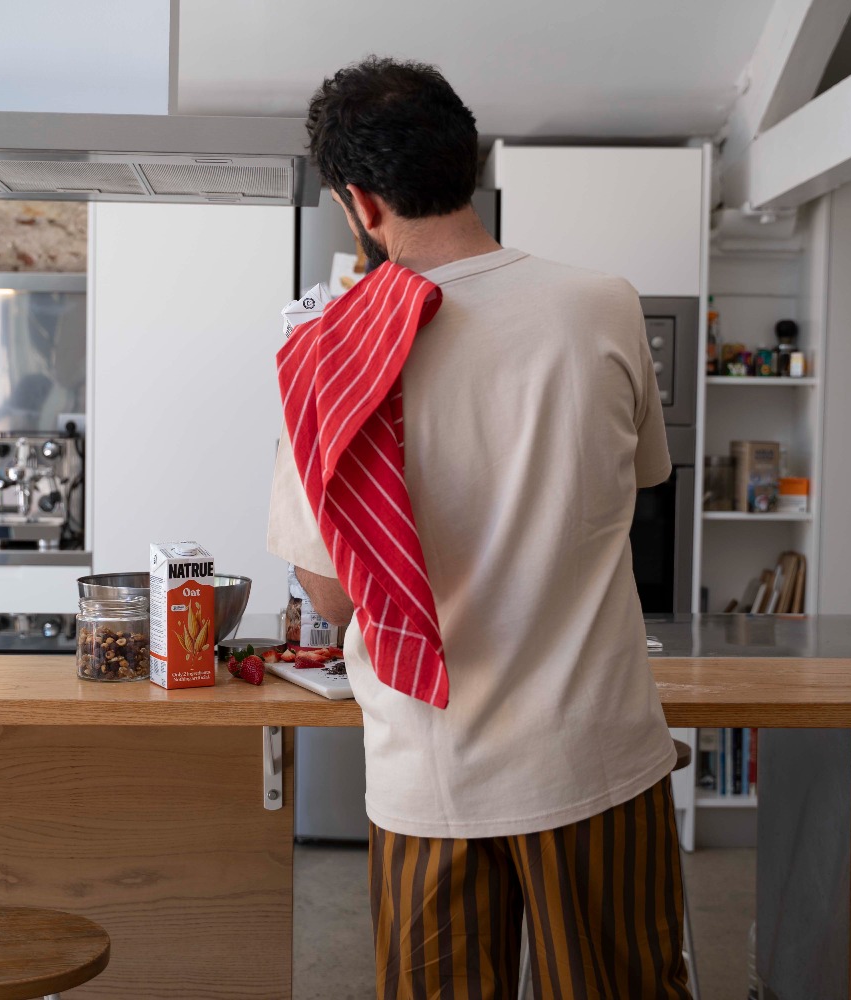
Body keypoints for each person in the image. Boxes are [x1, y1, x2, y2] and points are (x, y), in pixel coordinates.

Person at [268, 56, 689, 1000]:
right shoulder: (603, 303)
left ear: (360, 204)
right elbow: (640, 483)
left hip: (431, 775)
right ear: (471, 161)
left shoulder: (328, 355)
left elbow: (332, 594)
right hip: (595, 753)